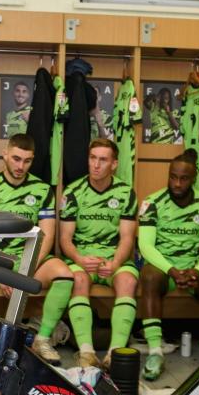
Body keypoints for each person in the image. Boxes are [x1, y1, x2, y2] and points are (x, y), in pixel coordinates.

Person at [0, 134, 74, 363]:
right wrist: (0, 274)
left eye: (27, 161)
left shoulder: (42, 189)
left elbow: (46, 235)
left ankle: (43, 339)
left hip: (31, 258)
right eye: (16, 159)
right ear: (5, 155)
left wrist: (23, 273)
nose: (20, 166)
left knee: (64, 273)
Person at [138, 149, 199, 380]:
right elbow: (146, 246)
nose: (177, 183)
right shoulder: (152, 202)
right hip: (165, 270)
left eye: (184, 178)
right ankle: (156, 351)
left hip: (193, 270)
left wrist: (197, 271)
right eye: (173, 176)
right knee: (148, 275)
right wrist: (171, 270)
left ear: (193, 179)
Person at [59, 138, 139, 370]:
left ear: (114, 164)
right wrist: (80, 259)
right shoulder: (73, 192)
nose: (96, 165)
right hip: (82, 257)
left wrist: (114, 263)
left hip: (114, 259)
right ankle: (86, 352)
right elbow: (65, 239)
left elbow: (127, 238)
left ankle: (115, 353)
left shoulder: (126, 193)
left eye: (102, 160)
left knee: (127, 280)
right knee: (78, 279)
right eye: (92, 158)